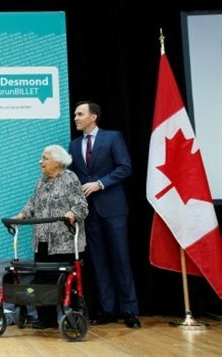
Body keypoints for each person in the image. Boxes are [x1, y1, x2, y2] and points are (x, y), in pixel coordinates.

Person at [68, 100, 141, 329]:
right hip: (89, 213)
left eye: (80, 114)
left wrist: (100, 183)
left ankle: (129, 310)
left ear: (93, 117)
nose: (76, 118)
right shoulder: (73, 145)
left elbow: (125, 167)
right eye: (75, 115)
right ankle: (108, 309)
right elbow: (74, 177)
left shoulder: (113, 138)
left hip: (114, 209)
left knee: (121, 259)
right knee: (99, 262)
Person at [11, 144, 88, 329]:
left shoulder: (70, 178)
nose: (40, 161)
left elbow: (82, 205)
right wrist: (21, 215)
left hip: (64, 242)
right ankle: (46, 320)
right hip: (43, 241)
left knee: (63, 282)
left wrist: (72, 213)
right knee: (43, 281)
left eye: (44, 158)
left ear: (57, 161)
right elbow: (32, 202)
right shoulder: (41, 182)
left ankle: (72, 319)